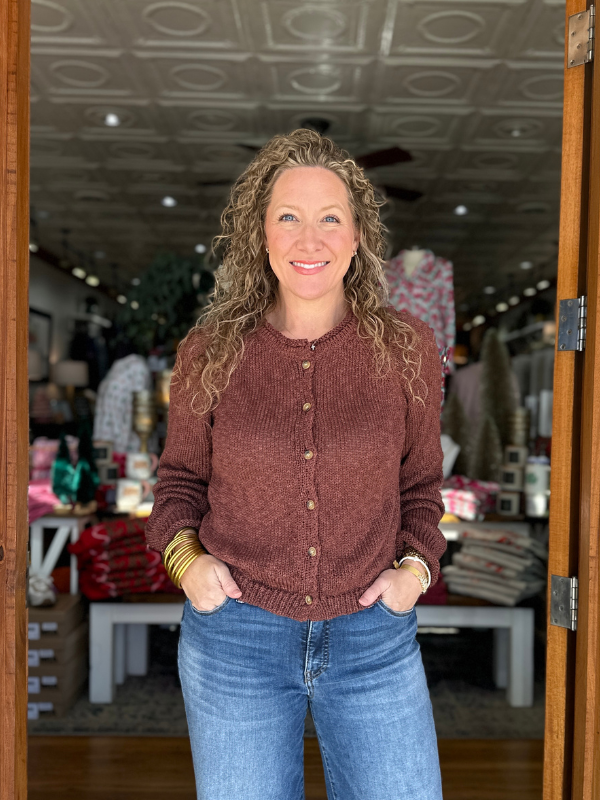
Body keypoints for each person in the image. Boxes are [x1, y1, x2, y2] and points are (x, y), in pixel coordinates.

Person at [145, 128, 447, 800]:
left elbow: (422, 485)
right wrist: (188, 564)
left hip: (374, 637)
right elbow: (178, 486)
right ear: (261, 235)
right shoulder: (210, 350)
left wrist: (415, 570)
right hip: (236, 640)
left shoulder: (407, 349)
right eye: (288, 217)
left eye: (329, 218)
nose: (309, 240)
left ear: (358, 236)